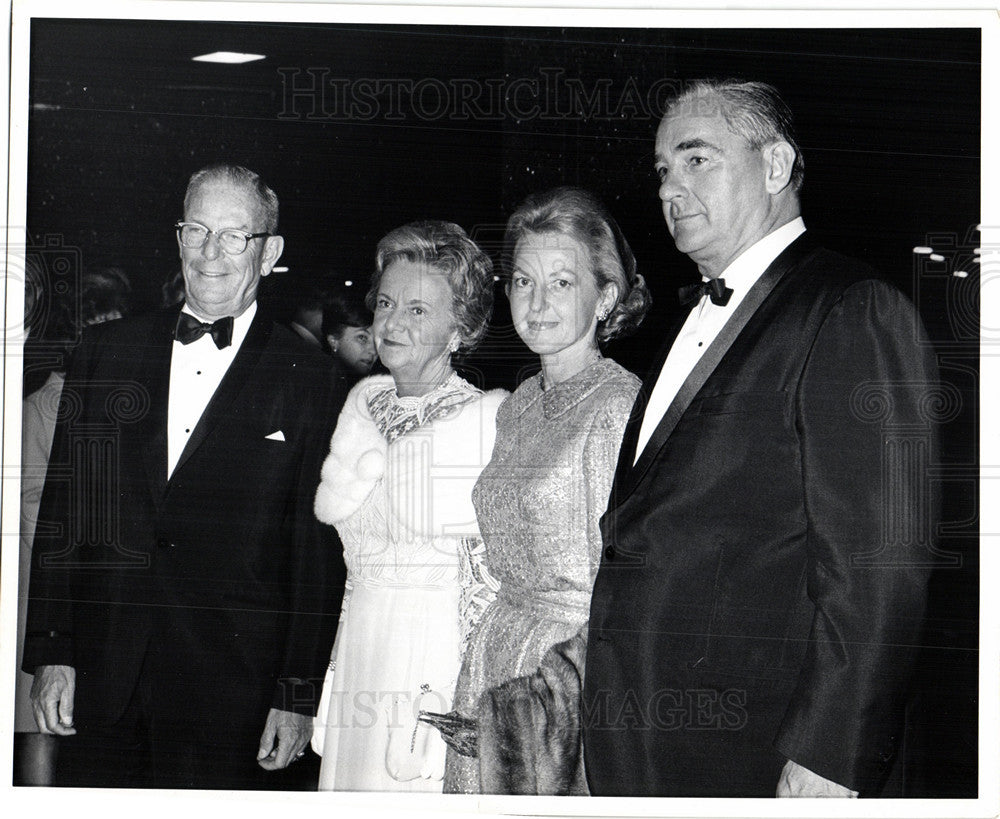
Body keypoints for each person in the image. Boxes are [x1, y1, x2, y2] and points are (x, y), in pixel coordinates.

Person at [584, 80, 938, 796]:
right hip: (642, 733)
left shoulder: (849, 306)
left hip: (757, 745)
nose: (670, 187)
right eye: (661, 170)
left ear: (775, 168)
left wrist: (833, 753)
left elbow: (881, 560)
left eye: (696, 159)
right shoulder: (687, 320)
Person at [23, 163, 346, 789]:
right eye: (196, 230)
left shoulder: (313, 379)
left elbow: (316, 558)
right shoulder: (104, 355)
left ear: (270, 251)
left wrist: (297, 694)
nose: (210, 252)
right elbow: (66, 513)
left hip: (235, 695)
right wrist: (53, 651)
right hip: (104, 679)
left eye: (233, 235)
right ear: (177, 238)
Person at [441, 187, 650, 794]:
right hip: (497, 655)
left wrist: (532, 710)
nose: (535, 303)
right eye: (523, 282)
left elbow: (622, 591)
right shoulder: (521, 402)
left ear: (605, 295)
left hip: (568, 682)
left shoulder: (617, 408)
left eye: (561, 282)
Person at [311, 220, 506, 791]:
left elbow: (488, 585)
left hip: (431, 658)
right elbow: (350, 578)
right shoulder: (362, 406)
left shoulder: (484, 423)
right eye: (387, 303)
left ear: (461, 328)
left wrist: (468, 705)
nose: (392, 323)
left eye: (418, 310)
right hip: (360, 653)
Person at [16, 268, 133, 786]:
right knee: (42, 722)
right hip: (56, 592)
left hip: (103, 593)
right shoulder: (45, 405)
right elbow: (34, 507)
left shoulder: (124, 402)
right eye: (98, 328)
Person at [322, 292, 376, 386]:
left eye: (376, 340)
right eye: (362, 338)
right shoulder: (320, 384)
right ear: (333, 341)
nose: (374, 351)